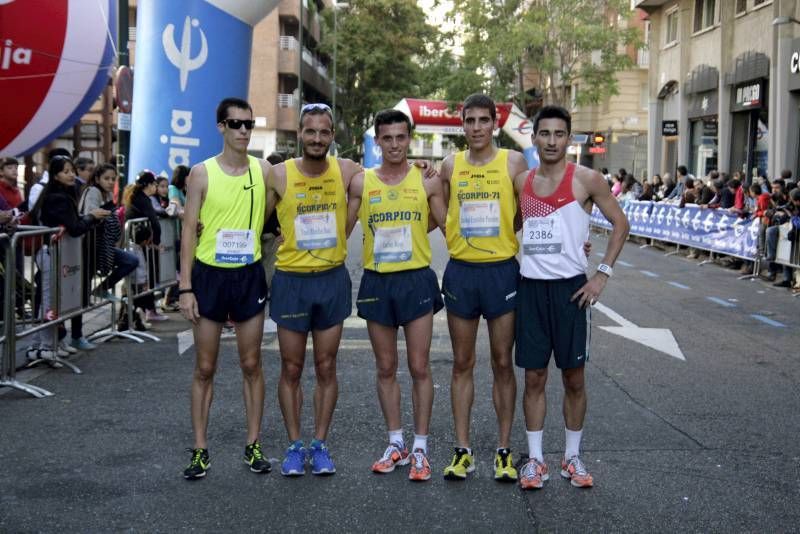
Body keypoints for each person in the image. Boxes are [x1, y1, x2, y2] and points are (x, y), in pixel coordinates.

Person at [512, 105, 629, 490]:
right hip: (531, 289)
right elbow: (518, 224)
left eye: (559, 134)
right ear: (534, 138)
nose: (551, 141)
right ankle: (535, 461)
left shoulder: (587, 179)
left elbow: (621, 224)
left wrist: (602, 274)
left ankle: (572, 458)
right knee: (534, 376)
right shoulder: (521, 181)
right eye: (544, 134)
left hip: (571, 291)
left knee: (574, 378)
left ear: (569, 138)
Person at [346, 109, 447, 482]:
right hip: (377, 282)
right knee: (386, 368)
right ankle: (395, 443)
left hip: (416, 280)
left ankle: (420, 448)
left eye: (400, 138)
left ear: (410, 139)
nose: (394, 144)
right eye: (386, 138)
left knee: (420, 367)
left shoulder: (426, 179)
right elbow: (341, 228)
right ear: (377, 141)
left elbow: (447, 223)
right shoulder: (362, 181)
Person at [262, 103, 361, 477]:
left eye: (324, 132)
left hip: (331, 280)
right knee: (291, 366)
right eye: (310, 131)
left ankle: (319, 444)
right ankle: (293, 445)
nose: (317, 138)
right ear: (299, 134)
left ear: (332, 136)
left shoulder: (347, 170)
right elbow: (258, 217)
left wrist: (423, 169)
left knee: (325, 365)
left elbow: (388, 180)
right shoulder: (279, 174)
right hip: (291, 280)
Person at [436, 94, 528, 481]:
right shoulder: (449, 164)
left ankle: (503, 452)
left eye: (483, 121)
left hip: (501, 272)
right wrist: (451, 230)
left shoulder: (513, 162)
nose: (476, 128)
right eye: (469, 120)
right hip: (462, 272)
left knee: (503, 362)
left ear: (495, 123)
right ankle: (463, 451)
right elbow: (437, 203)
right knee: (462, 363)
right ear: (462, 124)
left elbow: (527, 211)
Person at [178, 97, 272, 480]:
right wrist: (185, 287)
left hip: (248, 275)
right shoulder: (201, 173)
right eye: (236, 124)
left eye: (248, 124)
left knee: (252, 364)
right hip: (209, 277)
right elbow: (187, 230)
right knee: (205, 367)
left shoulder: (265, 170)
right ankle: (200, 448)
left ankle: (253, 443)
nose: (244, 131)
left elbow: (307, 178)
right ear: (221, 127)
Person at [26, 156, 110, 364]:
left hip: (58, 254)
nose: (72, 174)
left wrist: (87, 218)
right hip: (51, 254)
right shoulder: (56, 198)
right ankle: (44, 345)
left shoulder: (65, 194)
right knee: (50, 302)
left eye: (72, 170)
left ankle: (49, 342)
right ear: (55, 175)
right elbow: (74, 227)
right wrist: (91, 217)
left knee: (55, 300)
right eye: (66, 171)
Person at [78, 163, 139, 302]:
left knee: (131, 261)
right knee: (85, 281)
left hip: (103, 245)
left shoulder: (109, 194)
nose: (111, 182)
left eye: (113, 179)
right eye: (107, 178)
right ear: (98, 178)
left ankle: (101, 289)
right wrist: (107, 215)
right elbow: (91, 214)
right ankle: (80, 311)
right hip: (90, 243)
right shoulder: (94, 191)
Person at [125, 171, 168, 323]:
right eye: (155, 184)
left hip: (134, 243)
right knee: (142, 280)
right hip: (139, 245)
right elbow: (155, 223)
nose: (156, 187)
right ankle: (141, 314)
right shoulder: (144, 200)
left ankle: (143, 313)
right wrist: (156, 242)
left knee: (141, 280)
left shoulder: (136, 198)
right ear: (148, 185)